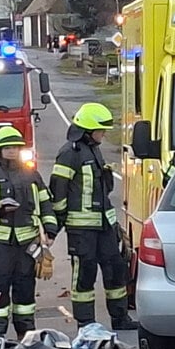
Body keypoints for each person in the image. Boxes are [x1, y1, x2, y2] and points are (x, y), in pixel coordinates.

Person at [49, 102, 137, 331]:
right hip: (81, 229)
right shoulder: (69, 153)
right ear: (88, 130)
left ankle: (120, 318)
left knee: (116, 268)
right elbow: (58, 192)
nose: (104, 134)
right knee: (85, 274)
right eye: (101, 130)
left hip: (104, 225)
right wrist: (54, 227)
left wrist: (114, 224)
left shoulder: (93, 150)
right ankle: (86, 323)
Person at [0, 126, 58, 340]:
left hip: (26, 245)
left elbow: (45, 203)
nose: (12, 151)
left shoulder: (31, 175)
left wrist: (51, 229)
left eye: (16, 147)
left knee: (25, 292)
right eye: (7, 147)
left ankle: (26, 338)